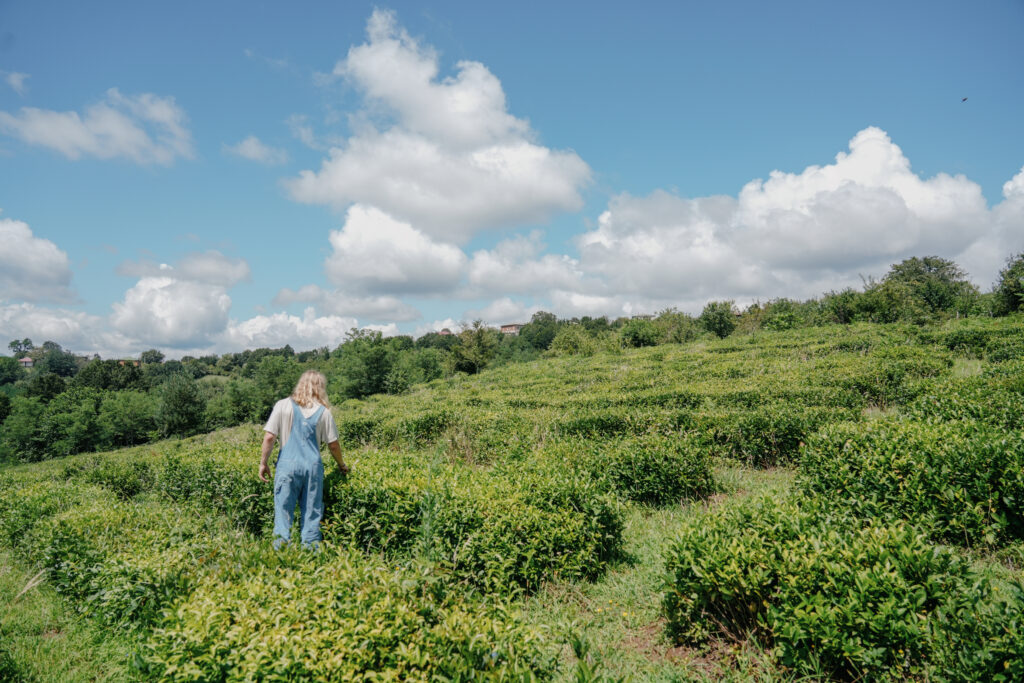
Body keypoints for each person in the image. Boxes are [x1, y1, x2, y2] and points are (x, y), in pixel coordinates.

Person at [259, 370, 349, 548]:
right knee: (312, 513)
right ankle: (311, 555)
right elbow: (333, 445)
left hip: (287, 466)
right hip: (312, 467)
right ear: (320, 388)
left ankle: (281, 553)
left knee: (283, 511)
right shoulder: (324, 412)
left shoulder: (282, 405)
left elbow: (270, 437)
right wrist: (341, 464)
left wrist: (263, 462)